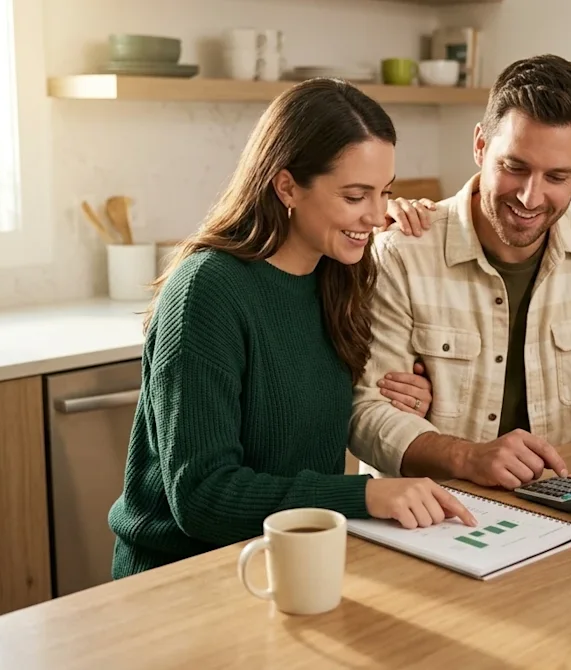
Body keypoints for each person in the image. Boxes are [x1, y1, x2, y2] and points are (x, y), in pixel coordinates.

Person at [108, 78, 475, 580]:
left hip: (294, 564)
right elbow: (203, 496)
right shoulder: (207, 291)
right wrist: (363, 495)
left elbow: (304, 409)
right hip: (183, 580)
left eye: (384, 192)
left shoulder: (339, 275)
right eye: (354, 195)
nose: (375, 214)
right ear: (287, 187)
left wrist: (404, 389)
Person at [350, 54, 571, 490]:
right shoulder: (401, 252)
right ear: (481, 146)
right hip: (434, 508)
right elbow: (367, 412)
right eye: (515, 167)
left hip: (568, 503)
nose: (530, 196)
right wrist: (468, 457)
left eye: (557, 176)